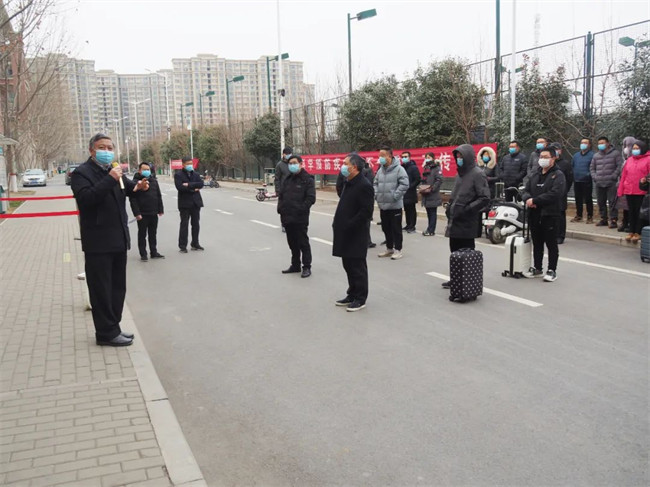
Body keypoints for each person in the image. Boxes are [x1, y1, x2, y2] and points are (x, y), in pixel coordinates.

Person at [71, 133, 149, 347]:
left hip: (118, 238)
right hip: (98, 242)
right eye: (102, 147)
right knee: (101, 290)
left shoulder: (112, 170)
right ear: (91, 150)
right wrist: (110, 178)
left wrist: (139, 187)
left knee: (117, 288)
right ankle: (105, 333)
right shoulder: (82, 173)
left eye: (110, 147)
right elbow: (87, 199)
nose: (107, 151)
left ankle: (114, 327)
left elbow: (128, 188)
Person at [441, 144, 490, 289]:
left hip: (467, 221)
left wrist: (467, 209)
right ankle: (455, 279)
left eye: (461, 156)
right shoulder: (459, 174)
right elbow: (455, 195)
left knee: (467, 253)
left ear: (468, 157)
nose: (459, 159)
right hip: (455, 220)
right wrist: (450, 208)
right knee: (454, 252)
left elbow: (484, 198)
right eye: (457, 157)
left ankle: (467, 282)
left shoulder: (477, 174)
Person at [332, 153, 375, 312]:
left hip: (356, 233)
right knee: (348, 264)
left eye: (345, 163)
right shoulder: (348, 182)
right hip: (344, 231)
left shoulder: (364, 185)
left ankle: (360, 298)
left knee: (357, 266)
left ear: (354, 167)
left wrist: (350, 225)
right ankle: (352, 293)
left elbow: (366, 212)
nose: (342, 166)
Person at [522, 147, 566, 282]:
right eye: (541, 157)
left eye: (546, 157)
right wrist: (528, 199)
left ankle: (552, 270)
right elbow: (526, 190)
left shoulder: (558, 175)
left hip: (550, 214)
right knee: (537, 243)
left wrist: (536, 201)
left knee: (551, 243)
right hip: (534, 213)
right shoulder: (535, 174)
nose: (543, 159)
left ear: (553, 158)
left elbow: (555, 194)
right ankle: (537, 268)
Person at [278, 155, 315, 278]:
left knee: (303, 242)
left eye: (294, 163)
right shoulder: (288, 179)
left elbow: (311, 198)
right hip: (287, 217)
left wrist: (301, 209)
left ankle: (306, 266)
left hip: (300, 218)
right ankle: (295, 265)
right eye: (290, 163)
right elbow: (282, 196)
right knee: (292, 243)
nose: (292, 165)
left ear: (301, 164)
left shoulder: (307, 179)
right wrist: (280, 209)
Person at [373, 147, 409, 260]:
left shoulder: (399, 169)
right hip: (383, 205)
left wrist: (395, 196)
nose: (380, 158)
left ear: (389, 156)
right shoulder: (381, 170)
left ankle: (398, 249)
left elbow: (405, 184)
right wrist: (376, 194)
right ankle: (389, 248)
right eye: (379, 156)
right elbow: (375, 183)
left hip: (395, 206)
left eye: (382, 155)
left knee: (396, 228)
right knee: (386, 228)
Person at [130, 162, 164, 261]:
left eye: (148, 169)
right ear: (139, 171)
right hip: (142, 213)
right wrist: (137, 213)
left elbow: (158, 196)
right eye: (144, 169)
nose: (146, 171)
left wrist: (160, 209)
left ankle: (154, 252)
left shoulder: (154, 181)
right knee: (142, 234)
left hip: (153, 212)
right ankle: (143, 254)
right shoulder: (135, 183)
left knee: (153, 234)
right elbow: (133, 199)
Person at [617, 140, 650, 243]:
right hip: (629, 190)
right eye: (634, 148)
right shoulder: (629, 160)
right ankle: (631, 231)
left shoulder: (648, 159)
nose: (635, 150)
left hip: (641, 191)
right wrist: (621, 189)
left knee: (640, 212)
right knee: (631, 211)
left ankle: (638, 232)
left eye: (637, 148)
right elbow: (624, 175)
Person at [590, 136, 623, 228]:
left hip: (611, 183)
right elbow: (592, 168)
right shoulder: (596, 156)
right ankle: (603, 219)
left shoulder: (615, 154)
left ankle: (613, 220)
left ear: (608, 143)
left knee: (612, 202)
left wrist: (613, 176)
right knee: (601, 202)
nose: (601, 145)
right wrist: (595, 177)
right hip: (599, 182)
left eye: (602, 143)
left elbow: (619, 166)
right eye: (599, 143)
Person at [175, 156, 204, 253]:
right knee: (184, 224)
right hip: (184, 204)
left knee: (196, 224)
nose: (190, 165)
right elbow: (180, 187)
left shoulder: (196, 174)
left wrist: (188, 184)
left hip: (196, 203)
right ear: (183, 164)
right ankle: (182, 246)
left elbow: (201, 184)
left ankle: (195, 243)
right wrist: (194, 189)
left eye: (191, 163)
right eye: (188, 164)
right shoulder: (178, 175)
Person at [549, 142, 574, 244]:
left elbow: (569, 179)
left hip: (561, 194)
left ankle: (560, 235)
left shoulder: (565, 164)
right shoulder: (548, 163)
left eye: (556, 149)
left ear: (560, 150)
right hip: (549, 193)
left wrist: (564, 190)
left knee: (560, 214)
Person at [571, 138, 595, 223]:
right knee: (578, 199)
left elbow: (594, 167)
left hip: (587, 180)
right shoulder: (576, 155)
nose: (583, 144)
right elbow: (572, 166)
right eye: (582, 142)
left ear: (589, 145)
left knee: (588, 199)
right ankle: (579, 215)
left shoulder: (592, 155)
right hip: (577, 180)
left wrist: (589, 175)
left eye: (585, 143)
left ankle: (590, 216)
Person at [617, 136, 638, 232]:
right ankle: (625, 222)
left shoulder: (635, 159)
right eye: (624, 146)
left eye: (628, 146)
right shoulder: (625, 160)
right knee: (625, 207)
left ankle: (631, 224)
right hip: (626, 187)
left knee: (632, 207)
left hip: (635, 188)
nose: (626, 148)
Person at [419, 152, 443, 236]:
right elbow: (424, 179)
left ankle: (431, 230)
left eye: (429, 157)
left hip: (433, 194)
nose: (427, 159)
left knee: (432, 213)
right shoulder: (426, 168)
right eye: (426, 157)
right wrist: (422, 187)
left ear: (433, 158)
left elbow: (439, 180)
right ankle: (429, 228)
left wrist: (432, 188)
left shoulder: (436, 168)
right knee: (429, 212)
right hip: (425, 193)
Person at [400, 151, 421, 233]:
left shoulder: (413, 167)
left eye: (405, 157)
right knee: (406, 210)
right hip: (403, 193)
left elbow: (417, 179)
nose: (404, 158)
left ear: (409, 157)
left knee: (411, 210)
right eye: (402, 157)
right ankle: (408, 224)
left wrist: (410, 186)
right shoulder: (402, 167)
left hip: (411, 192)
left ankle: (412, 226)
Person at [275, 147, 293, 232]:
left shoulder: (293, 163)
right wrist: (278, 190)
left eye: (290, 154)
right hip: (283, 191)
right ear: (283, 154)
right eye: (287, 154)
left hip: (293, 190)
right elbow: (277, 179)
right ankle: (284, 224)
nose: (289, 155)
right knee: (284, 209)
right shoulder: (279, 165)